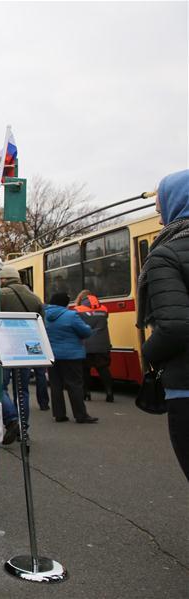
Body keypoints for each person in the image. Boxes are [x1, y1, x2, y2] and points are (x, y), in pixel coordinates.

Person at [137, 169, 189, 482]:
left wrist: (149, 353)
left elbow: (175, 327)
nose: (159, 220)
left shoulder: (165, 254)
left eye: (160, 210)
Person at [0, 264, 44, 442]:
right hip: (26, 347)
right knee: (22, 389)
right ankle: (24, 429)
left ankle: (11, 419)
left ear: (3, 279)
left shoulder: (1, 295)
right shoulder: (35, 297)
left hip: (5, 346)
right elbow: (41, 324)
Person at [44, 291, 98, 424]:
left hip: (52, 355)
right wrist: (88, 328)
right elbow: (85, 332)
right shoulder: (71, 315)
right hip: (71, 356)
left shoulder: (44, 316)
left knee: (56, 385)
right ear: (65, 303)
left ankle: (59, 415)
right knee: (75, 385)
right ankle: (81, 415)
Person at [74, 290, 114, 402]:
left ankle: (86, 393)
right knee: (103, 369)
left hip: (85, 345)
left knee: (85, 370)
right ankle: (109, 392)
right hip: (102, 345)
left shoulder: (78, 310)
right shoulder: (104, 309)